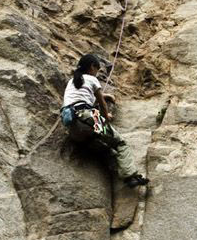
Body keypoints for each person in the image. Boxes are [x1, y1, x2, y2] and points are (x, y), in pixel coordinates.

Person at [61, 54, 149, 188]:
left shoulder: (72, 81)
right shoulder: (92, 79)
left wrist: (104, 95)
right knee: (120, 143)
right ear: (92, 67)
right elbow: (101, 103)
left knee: (104, 147)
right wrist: (106, 117)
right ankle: (130, 176)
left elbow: (85, 98)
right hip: (89, 117)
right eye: (97, 69)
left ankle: (113, 162)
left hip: (73, 126)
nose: (97, 72)